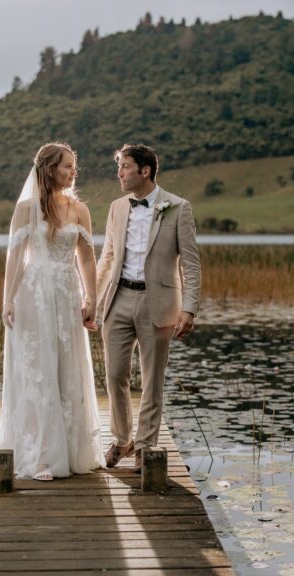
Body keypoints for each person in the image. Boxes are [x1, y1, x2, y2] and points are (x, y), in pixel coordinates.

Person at [0, 143, 105, 481]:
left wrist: (90, 297)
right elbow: (16, 256)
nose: (73, 172)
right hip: (33, 294)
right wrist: (7, 299)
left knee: (66, 365)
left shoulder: (80, 210)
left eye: (74, 166)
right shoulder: (26, 209)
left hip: (66, 293)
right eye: (68, 166)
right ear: (50, 168)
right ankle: (37, 455)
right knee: (37, 367)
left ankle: (69, 448)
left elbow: (87, 257)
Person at [96, 144, 201, 472]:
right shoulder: (116, 208)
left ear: (145, 171)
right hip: (118, 299)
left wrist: (190, 308)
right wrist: (93, 300)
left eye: (125, 167)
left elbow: (192, 264)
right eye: (119, 167)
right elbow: (108, 257)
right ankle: (122, 439)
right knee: (115, 375)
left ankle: (145, 446)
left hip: (160, 303)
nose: (119, 173)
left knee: (153, 379)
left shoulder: (178, 208)